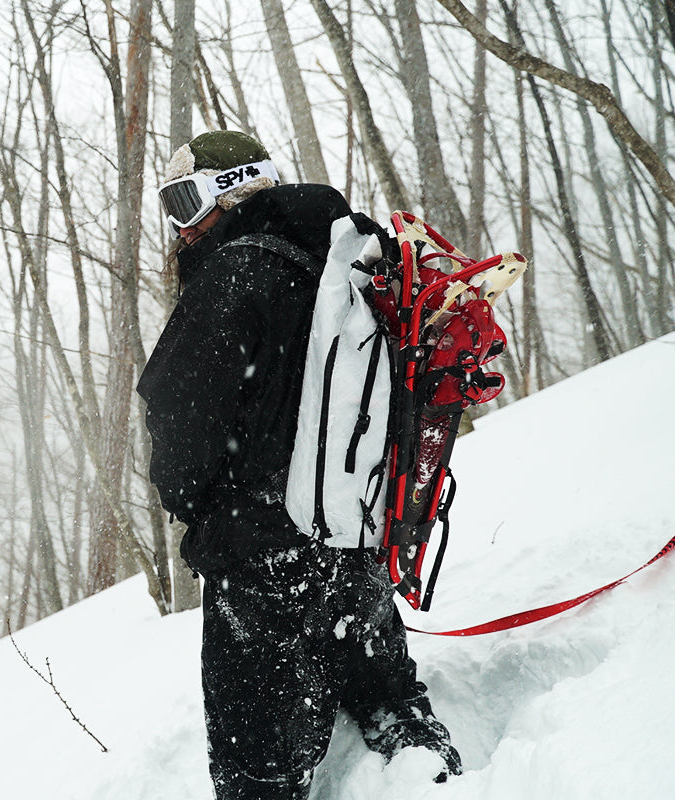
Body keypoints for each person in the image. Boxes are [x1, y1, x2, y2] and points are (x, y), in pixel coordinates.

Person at [137, 130, 462, 800]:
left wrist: (199, 513)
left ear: (226, 192)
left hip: (261, 553)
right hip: (354, 530)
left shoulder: (232, 275)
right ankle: (419, 756)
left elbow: (178, 420)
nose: (183, 228)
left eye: (185, 201)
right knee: (385, 690)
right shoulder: (350, 259)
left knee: (258, 756)